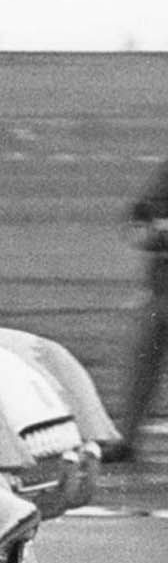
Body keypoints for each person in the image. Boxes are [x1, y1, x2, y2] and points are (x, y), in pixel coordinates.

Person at [105, 159, 168, 464]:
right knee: (142, 362)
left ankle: (128, 439)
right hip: (161, 291)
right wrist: (150, 232)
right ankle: (128, 438)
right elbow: (138, 218)